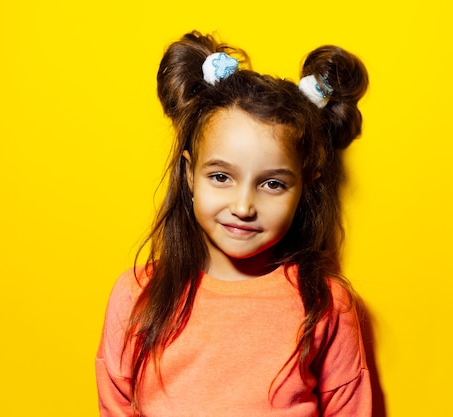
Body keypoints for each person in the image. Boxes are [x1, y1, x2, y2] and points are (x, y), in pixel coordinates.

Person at [96, 30, 371, 417]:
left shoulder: (325, 304)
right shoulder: (137, 296)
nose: (243, 206)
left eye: (272, 183)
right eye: (221, 176)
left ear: (306, 188)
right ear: (190, 174)